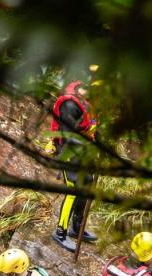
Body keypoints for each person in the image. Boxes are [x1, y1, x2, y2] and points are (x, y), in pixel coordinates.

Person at [49, 80, 99, 250]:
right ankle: (60, 232)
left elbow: (93, 126)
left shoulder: (88, 102)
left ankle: (77, 228)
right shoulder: (69, 105)